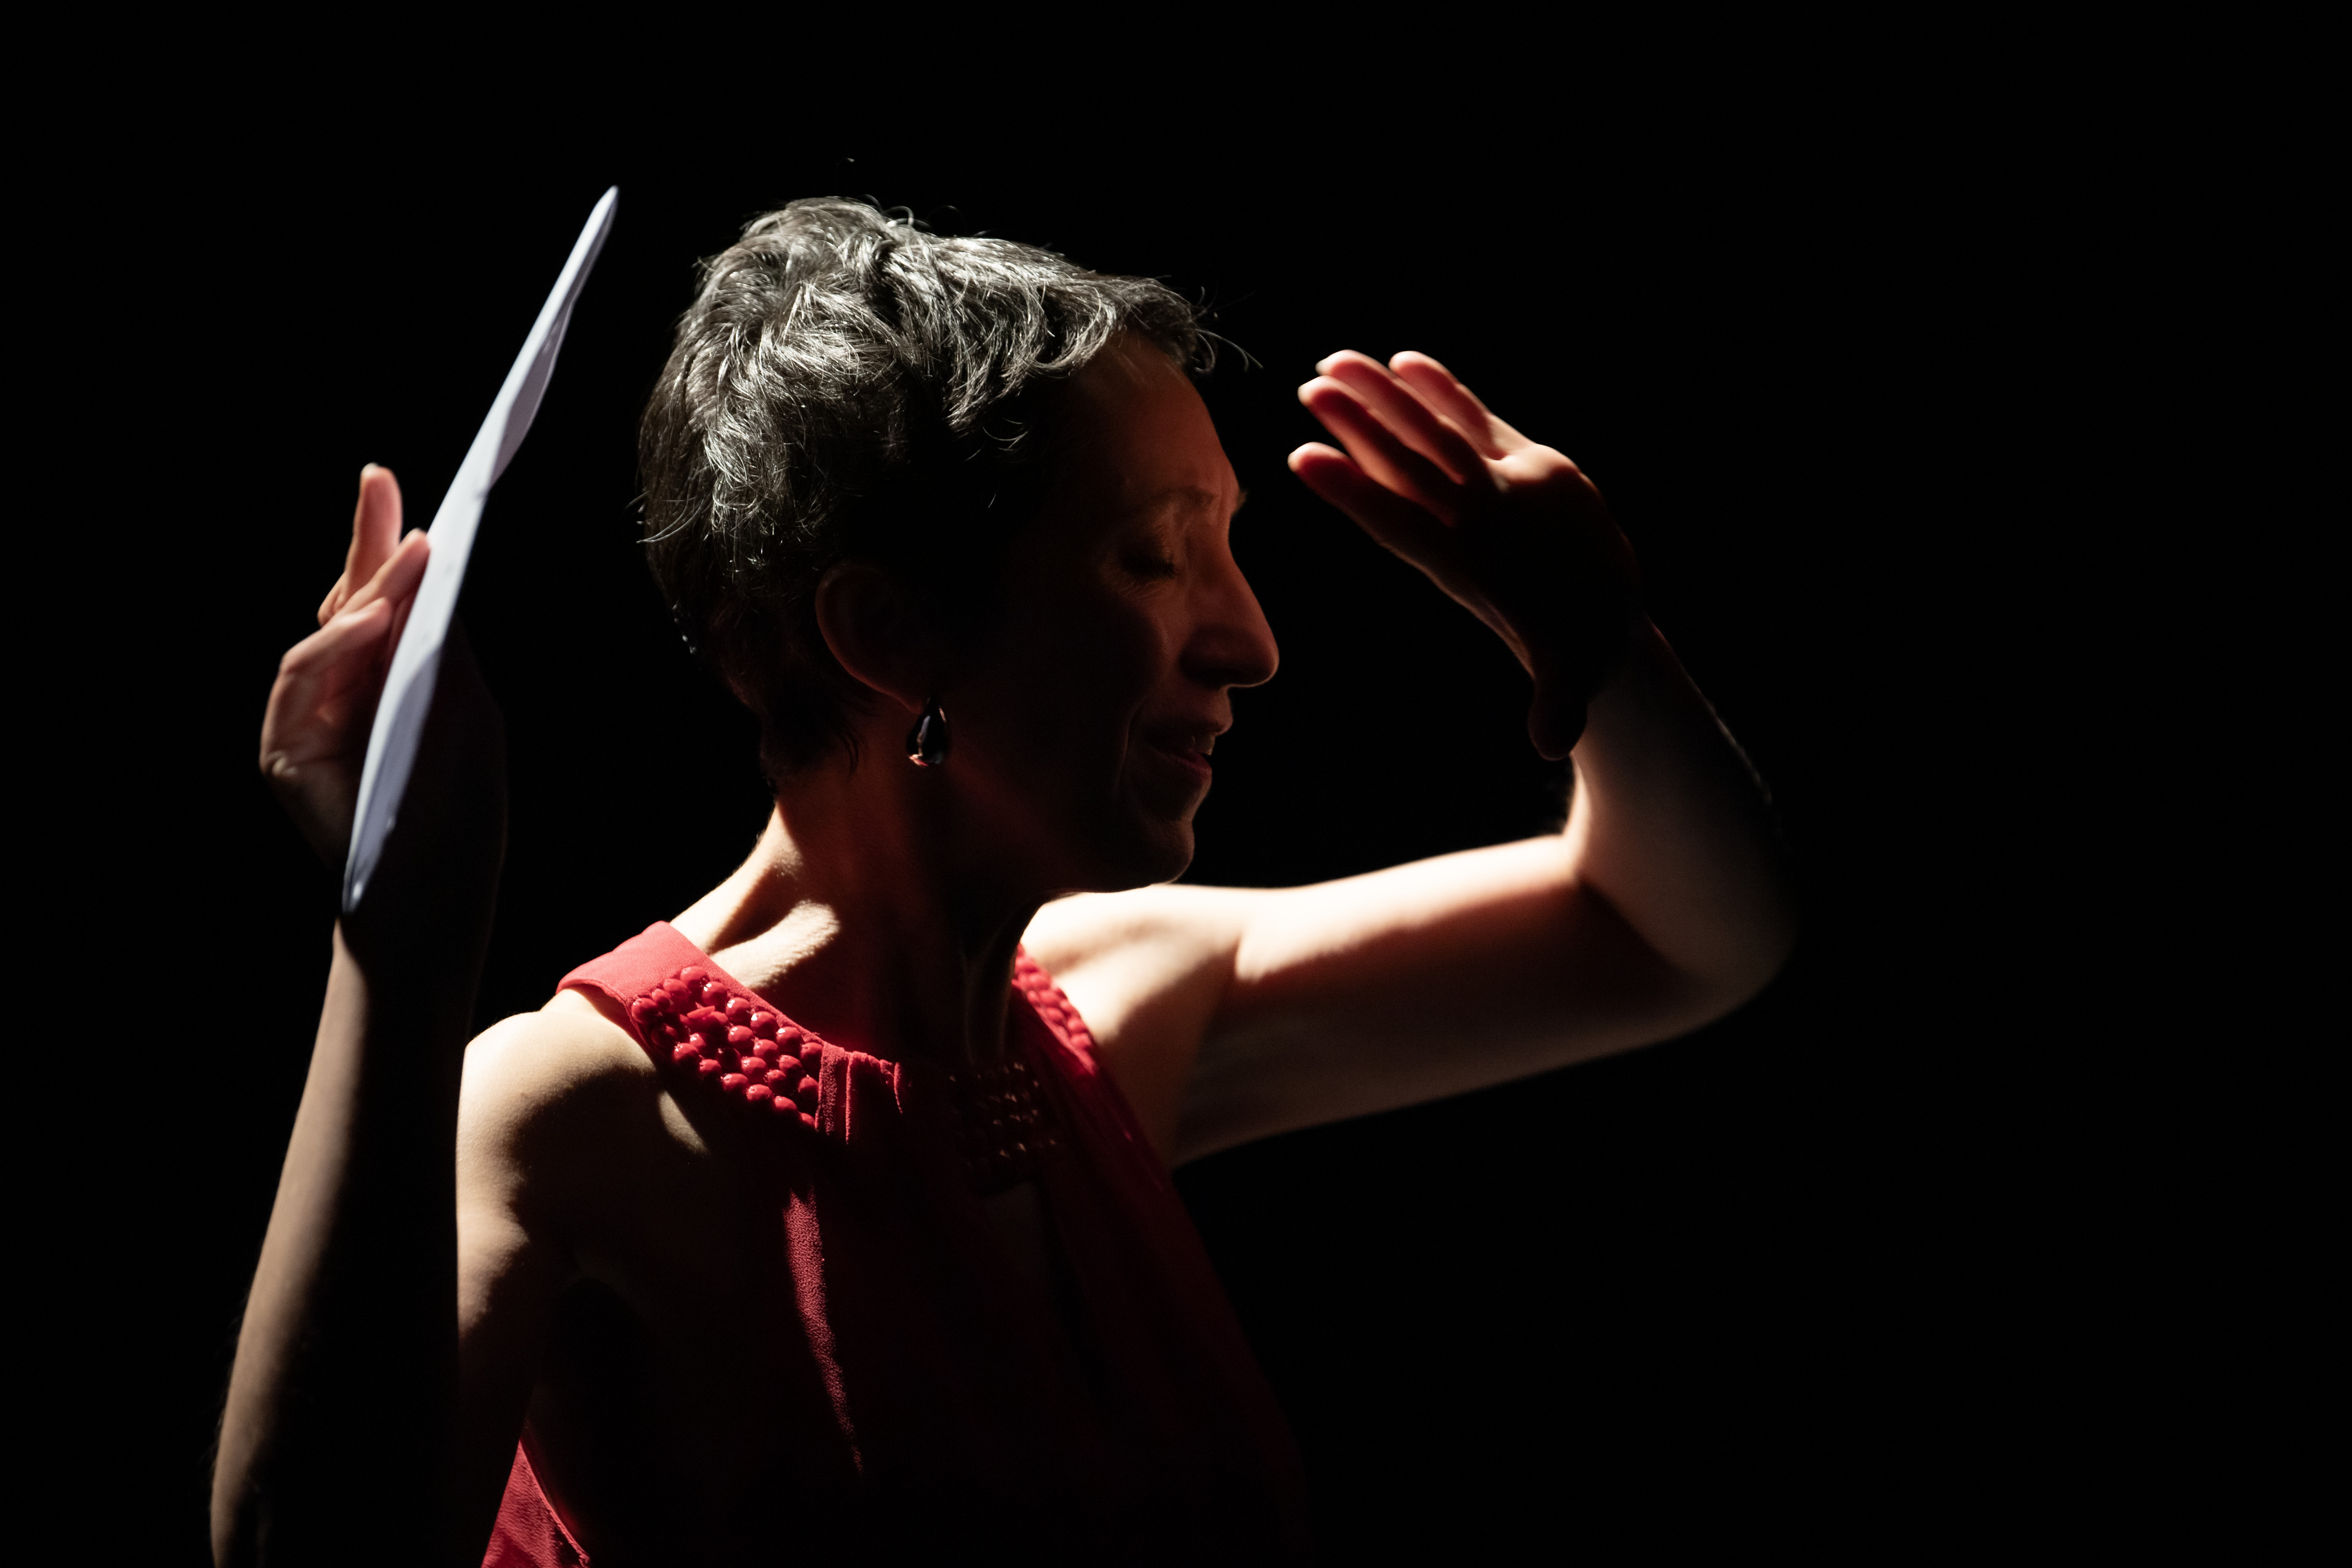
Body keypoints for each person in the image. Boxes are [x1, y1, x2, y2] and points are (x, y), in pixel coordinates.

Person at [213, 198, 1797, 1565]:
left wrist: (1597, 642)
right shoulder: (575, 1115)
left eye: (1229, 551)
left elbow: (1679, 938)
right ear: (886, 632)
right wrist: (396, 950)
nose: (1251, 644)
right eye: (1154, 556)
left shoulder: (1115, 1005)